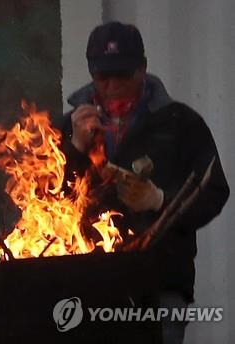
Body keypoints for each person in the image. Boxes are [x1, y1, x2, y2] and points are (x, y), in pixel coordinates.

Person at [61, 21, 229, 343]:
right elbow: (47, 201)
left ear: (143, 69)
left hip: (160, 285)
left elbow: (215, 192)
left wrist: (161, 200)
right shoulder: (69, 125)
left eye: (122, 75)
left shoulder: (181, 123)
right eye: (102, 76)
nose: (111, 87)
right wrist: (77, 149)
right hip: (86, 282)